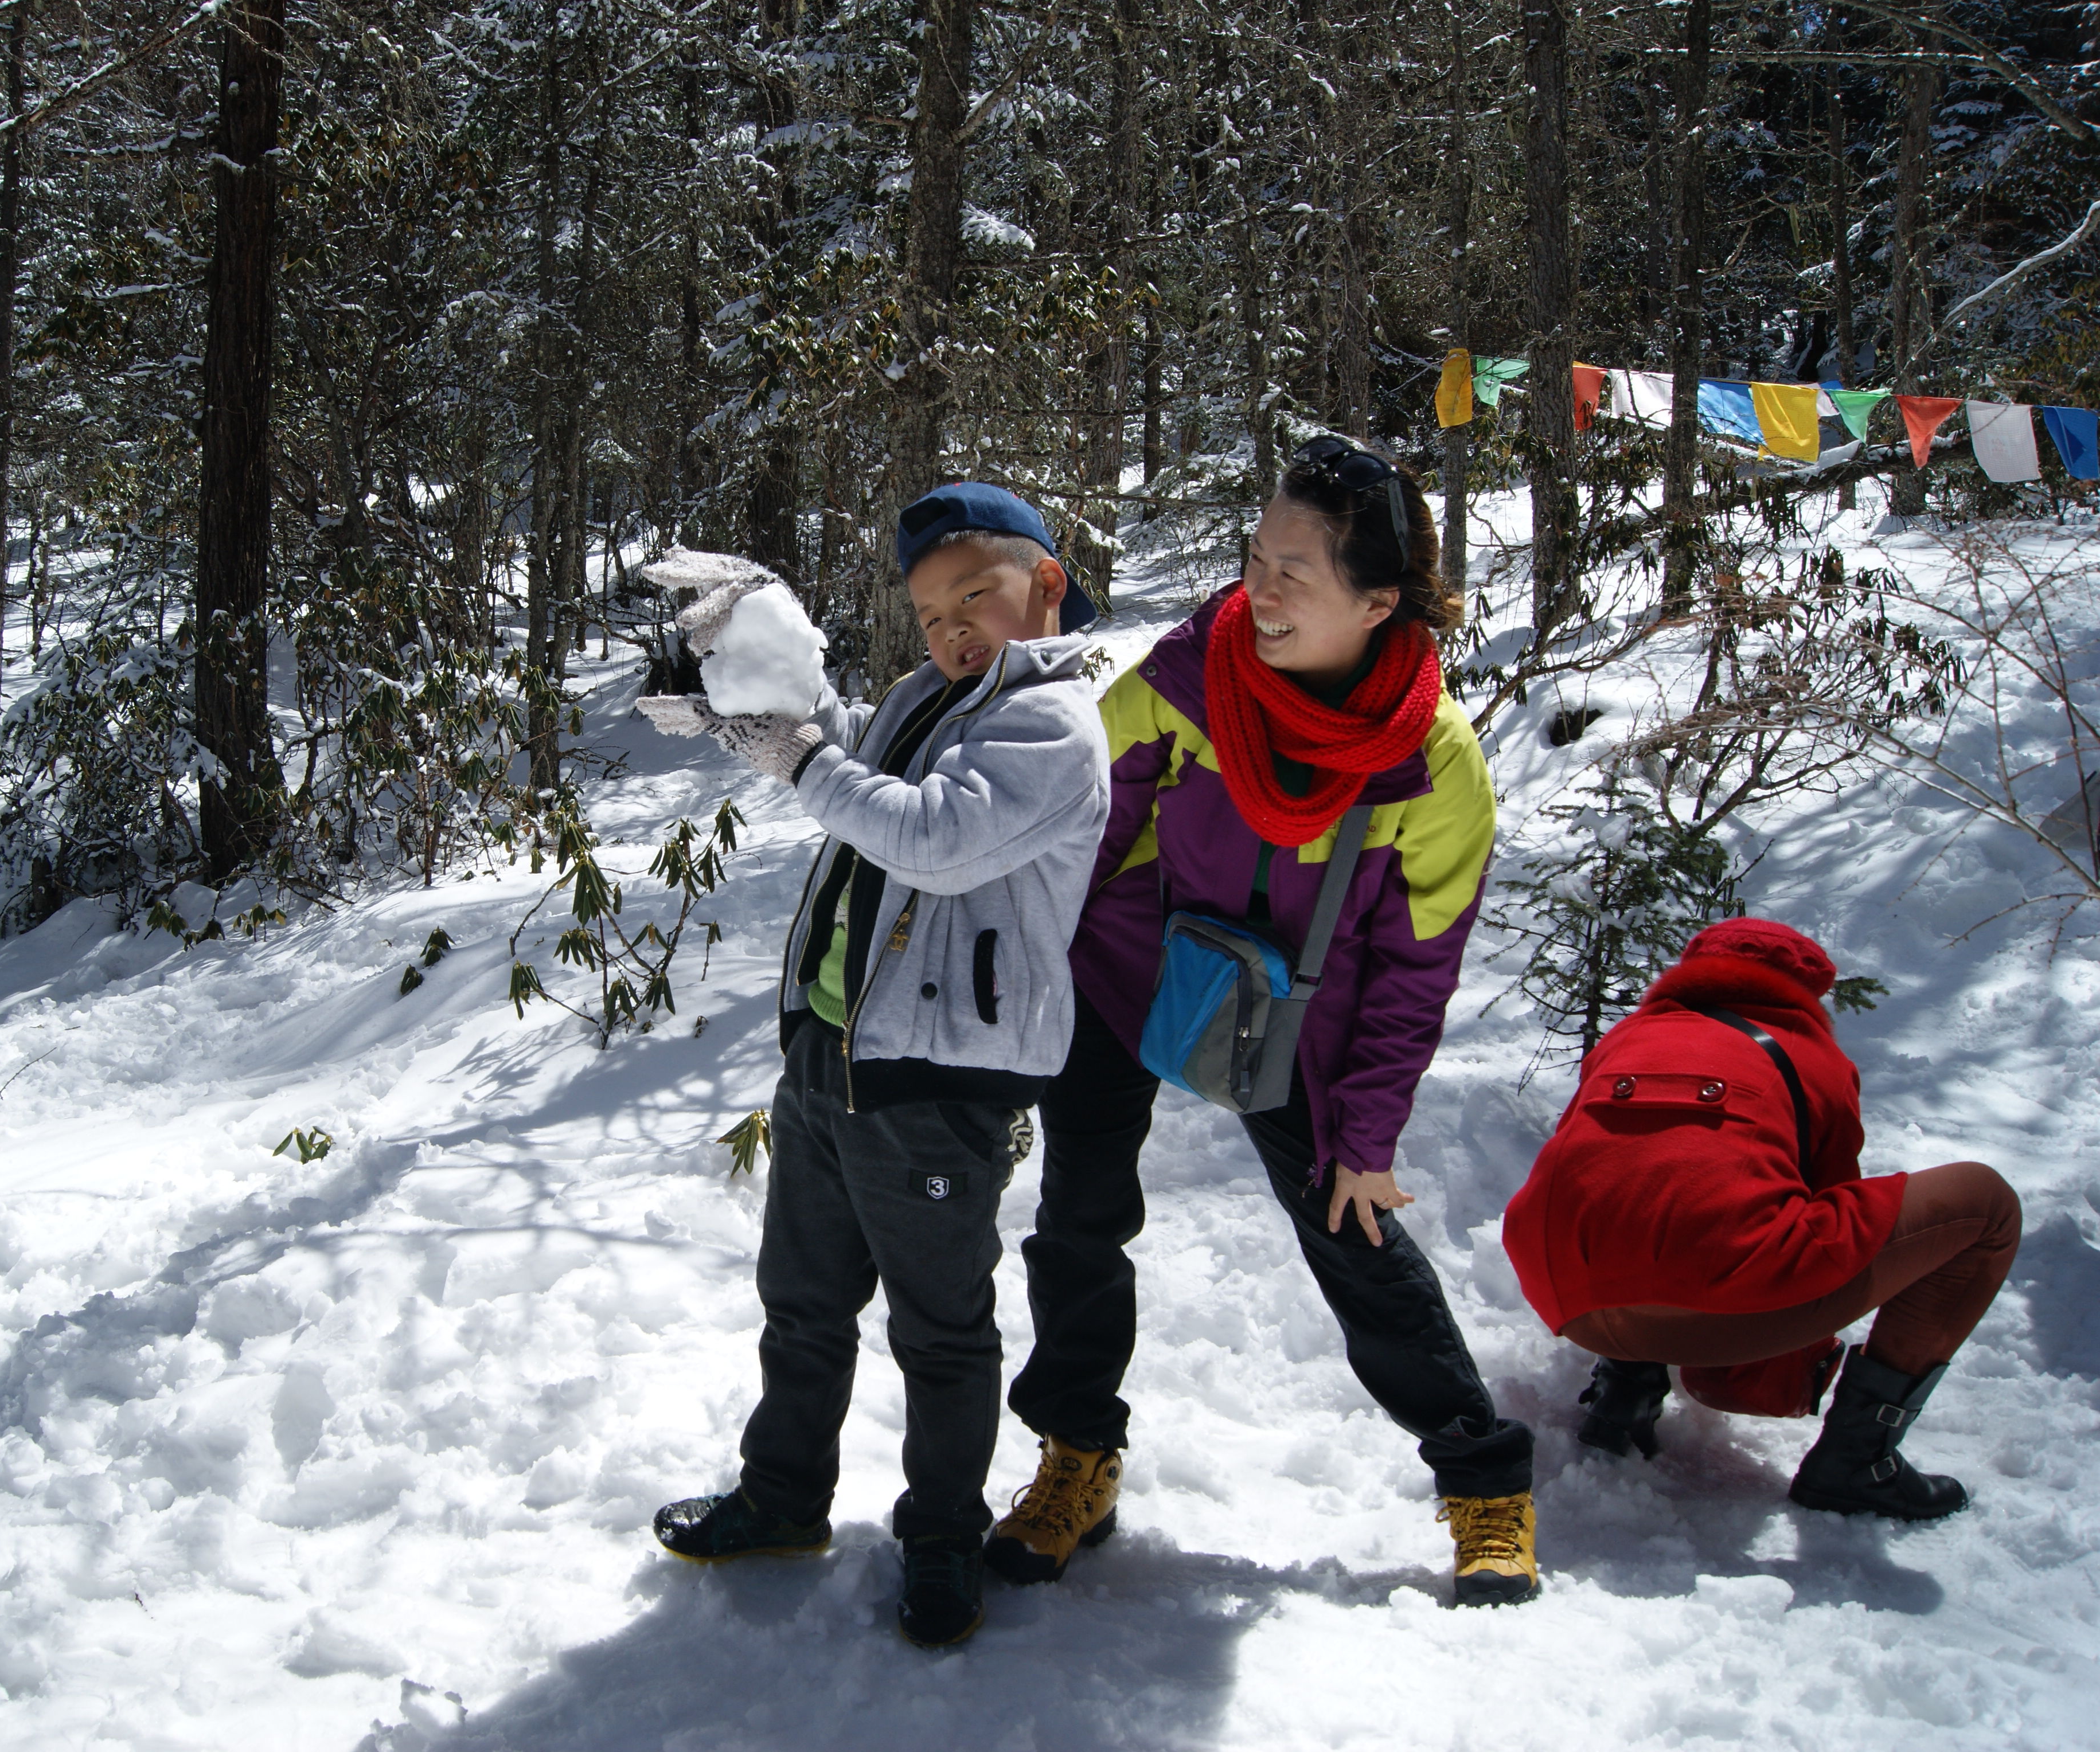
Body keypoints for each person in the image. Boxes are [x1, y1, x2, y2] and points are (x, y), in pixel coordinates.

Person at [993, 436, 1541, 1608]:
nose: (1263, 587)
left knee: (1353, 1225)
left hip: (1296, 1016)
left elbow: (1411, 967)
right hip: (1126, 971)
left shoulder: (1434, 766)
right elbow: (1088, 829)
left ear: (1377, 600)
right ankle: (1075, 1459)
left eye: (1298, 568)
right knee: (1077, 1217)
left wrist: (1371, 1132)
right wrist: (1031, 983)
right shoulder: (1187, 679)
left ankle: (1481, 1481)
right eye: (1256, 556)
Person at [640, 483, 1111, 1647]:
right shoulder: (928, 694)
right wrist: (754, 697)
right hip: (832, 1052)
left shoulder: (1052, 725)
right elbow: (859, 762)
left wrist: (800, 761)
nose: (950, 628)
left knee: (939, 1331)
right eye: (928, 611)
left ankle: (942, 1535)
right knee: (802, 1305)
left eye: (975, 598)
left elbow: (933, 839)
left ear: (1045, 585)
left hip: (939, 1082)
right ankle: (783, 1498)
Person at [1502, 917, 2019, 1518]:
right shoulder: (1812, 1057)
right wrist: (1776, 1368)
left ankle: (1622, 1394)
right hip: (1725, 1307)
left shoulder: (1630, 1035)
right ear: (1804, 991)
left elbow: (1613, 1178)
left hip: (1568, 1301)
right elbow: (1829, 1222)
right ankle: (1857, 1459)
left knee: (1648, 1179)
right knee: (1986, 1203)